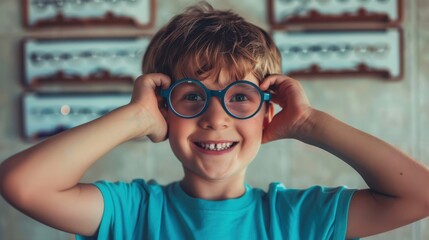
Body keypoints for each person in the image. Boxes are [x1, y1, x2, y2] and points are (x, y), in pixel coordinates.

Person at [1, 2, 428, 240]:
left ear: (267, 111)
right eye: (192, 97)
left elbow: (419, 196)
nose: (215, 118)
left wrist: (310, 123)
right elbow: (22, 184)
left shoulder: (297, 219)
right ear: (164, 108)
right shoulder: (131, 213)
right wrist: (136, 116)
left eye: (239, 97)